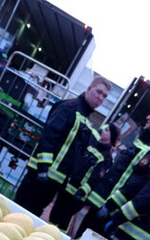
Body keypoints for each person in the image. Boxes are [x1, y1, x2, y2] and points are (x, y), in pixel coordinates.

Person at [13, 75, 111, 228]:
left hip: (53, 181)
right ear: (89, 88)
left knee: (29, 220)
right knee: (18, 215)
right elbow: (49, 135)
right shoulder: (70, 107)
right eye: (98, 92)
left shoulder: (84, 116)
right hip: (41, 176)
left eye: (104, 96)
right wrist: (43, 168)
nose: (100, 98)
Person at [96, 104, 150, 235]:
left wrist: (111, 205)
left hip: (113, 210)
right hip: (103, 201)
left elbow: (138, 183)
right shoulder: (143, 141)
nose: (148, 117)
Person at [62, 122, 121, 238]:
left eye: (107, 130)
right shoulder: (91, 146)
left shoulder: (107, 158)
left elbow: (95, 179)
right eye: (104, 128)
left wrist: (82, 192)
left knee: (65, 219)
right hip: (68, 186)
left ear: (112, 137)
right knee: (56, 214)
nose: (103, 131)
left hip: (78, 194)